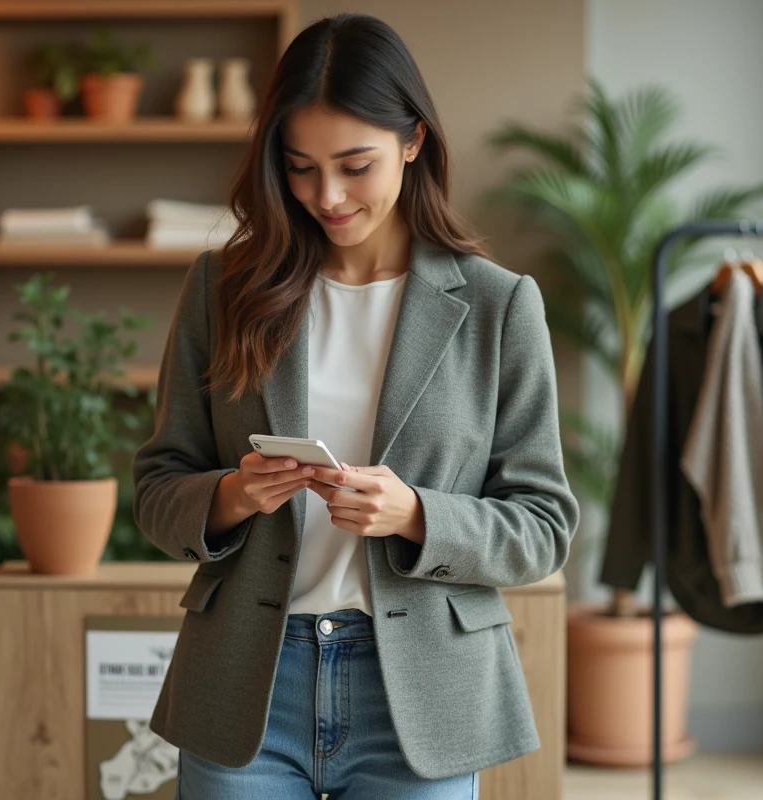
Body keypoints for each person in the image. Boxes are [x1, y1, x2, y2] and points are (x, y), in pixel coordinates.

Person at [133, 12, 579, 800]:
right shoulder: (221, 290)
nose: (327, 196)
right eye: (299, 166)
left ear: (413, 140)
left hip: (418, 696)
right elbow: (158, 489)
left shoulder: (499, 305)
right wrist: (233, 495)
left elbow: (543, 529)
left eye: (355, 165)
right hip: (246, 684)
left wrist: (415, 513)